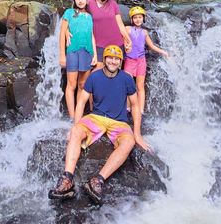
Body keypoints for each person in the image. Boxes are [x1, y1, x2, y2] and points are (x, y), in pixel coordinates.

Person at [48, 45, 149, 205]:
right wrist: (75, 125)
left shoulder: (127, 78)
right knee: (76, 132)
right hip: (96, 117)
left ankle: (98, 180)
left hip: (119, 122)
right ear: (105, 59)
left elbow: (135, 105)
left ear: (120, 61)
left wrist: (137, 134)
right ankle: (67, 180)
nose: (113, 61)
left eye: (116, 59)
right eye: (110, 58)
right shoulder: (94, 76)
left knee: (129, 142)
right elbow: (81, 103)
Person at [59, 0, 97, 119]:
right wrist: (62, 55)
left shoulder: (89, 16)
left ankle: (78, 115)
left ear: (87, 0)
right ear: (74, 0)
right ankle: (72, 116)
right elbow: (62, 33)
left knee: (82, 85)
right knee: (72, 84)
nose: (80, 1)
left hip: (87, 52)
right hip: (73, 51)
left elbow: (92, 36)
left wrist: (95, 55)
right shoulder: (69, 13)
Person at [125, 6, 168, 116]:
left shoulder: (144, 32)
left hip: (141, 60)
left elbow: (151, 46)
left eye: (140, 17)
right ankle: (127, 109)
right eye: (135, 18)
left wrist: (164, 52)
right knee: (128, 85)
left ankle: (141, 111)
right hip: (129, 59)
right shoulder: (127, 29)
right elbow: (122, 41)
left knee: (140, 86)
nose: (137, 20)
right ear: (131, 19)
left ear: (143, 18)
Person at [88, 0, 132, 70]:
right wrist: (68, 31)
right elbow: (78, 16)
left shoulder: (113, 4)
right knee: (96, 73)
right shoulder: (89, 3)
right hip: (99, 45)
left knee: (114, 73)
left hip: (117, 44)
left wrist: (129, 40)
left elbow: (120, 25)